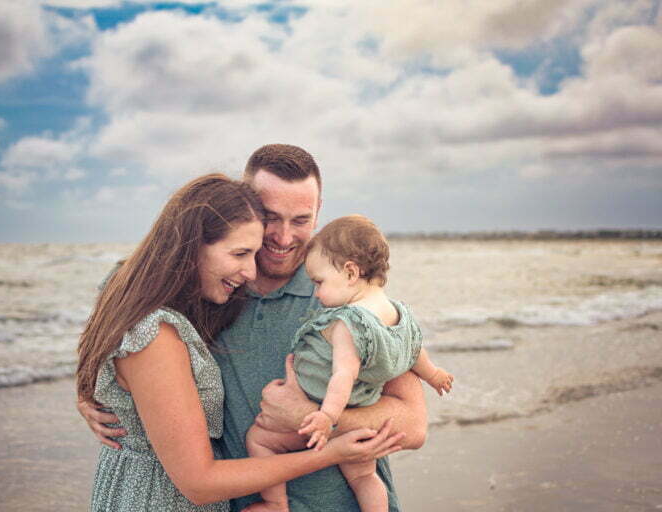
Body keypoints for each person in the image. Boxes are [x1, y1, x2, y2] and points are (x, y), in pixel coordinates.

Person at [78, 145, 428, 511]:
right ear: (245, 206)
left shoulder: (345, 295)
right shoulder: (205, 290)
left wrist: (309, 418)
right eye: (271, 217)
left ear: (318, 212)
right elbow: (124, 336)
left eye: (301, 220)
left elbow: (413, 425)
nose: (284, 237)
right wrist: (91, 394)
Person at [245, 215, 453, 512]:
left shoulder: (348, 322)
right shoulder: (399, 314)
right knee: (365, 476)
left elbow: (344, 373)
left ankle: (275, 504)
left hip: (321, 409)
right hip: (362, 411)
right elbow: (414, 351)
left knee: (260, 440)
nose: (317, 292)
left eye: (320, 282)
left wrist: (325, 417)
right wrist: (433, 375)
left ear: (350, 272)